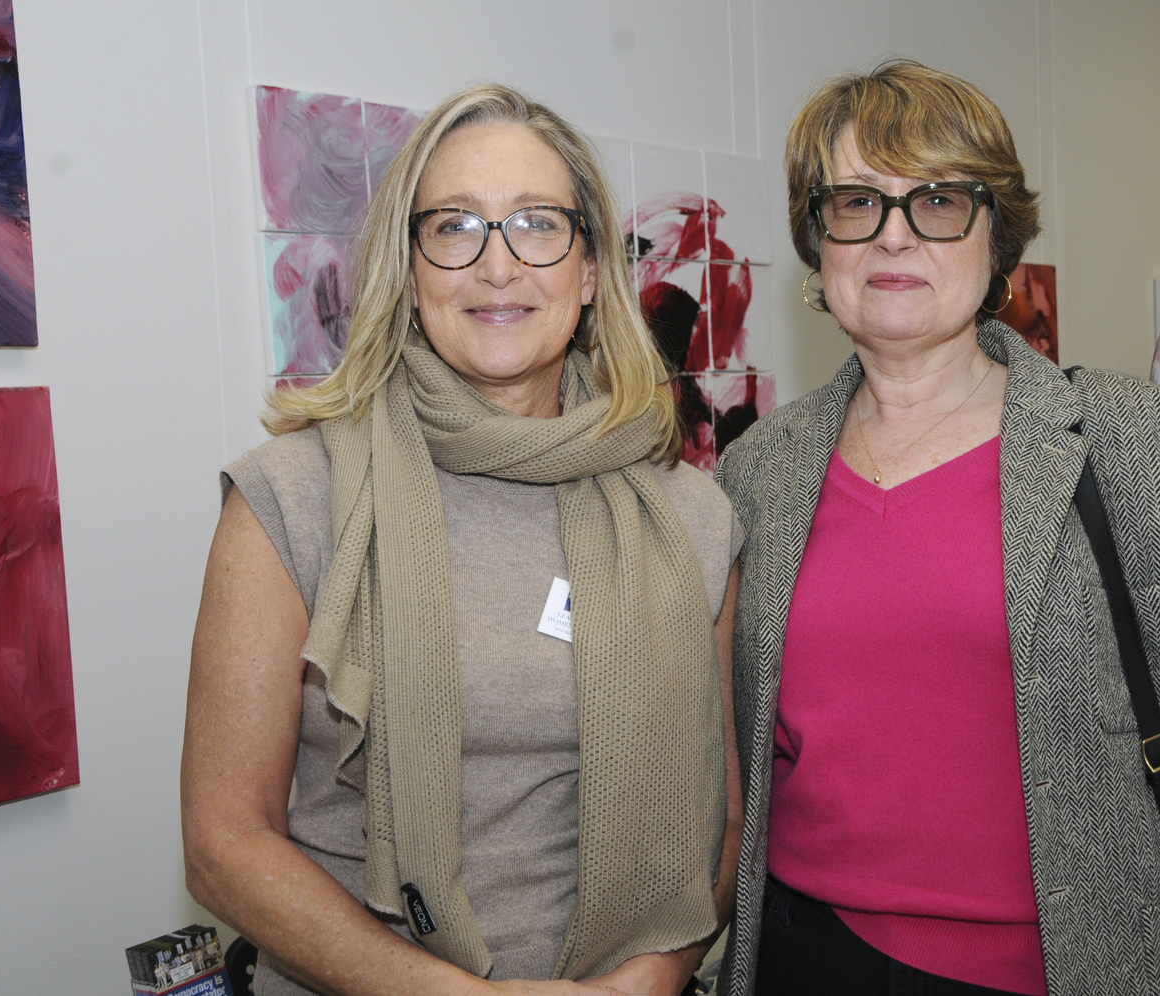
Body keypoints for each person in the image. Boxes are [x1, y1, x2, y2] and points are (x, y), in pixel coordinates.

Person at [714, 61, 1160, 996]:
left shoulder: (1139, 449)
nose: (895, 236)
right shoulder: (758, 473)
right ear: (817, 240)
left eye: (937, 202)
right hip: (802, 957)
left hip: (1066, 968)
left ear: (995, 235)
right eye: (855, 203)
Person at [182, 83, 743, 996]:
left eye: (536, 225)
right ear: (408, 271)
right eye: (454, 227)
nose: (497, 267)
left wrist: (650, 979)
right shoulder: (294, 496)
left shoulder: (692, 515)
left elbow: (720, 822)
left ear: (592, 268)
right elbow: (222, 843)